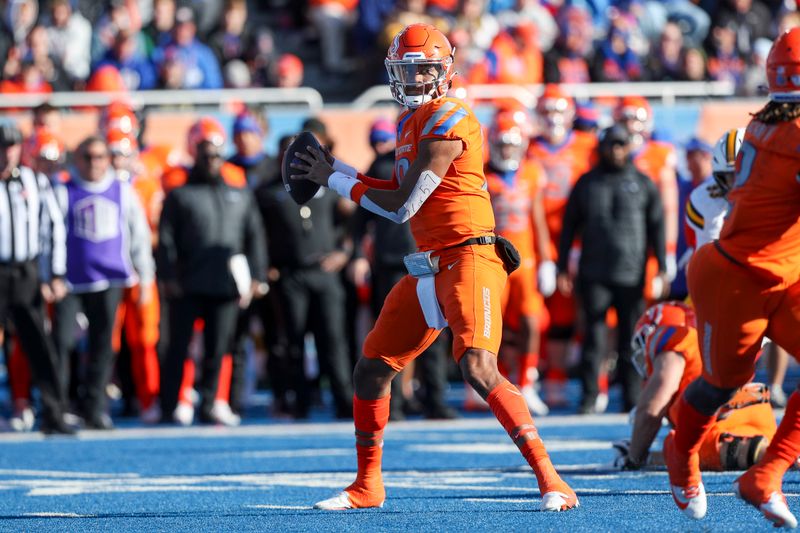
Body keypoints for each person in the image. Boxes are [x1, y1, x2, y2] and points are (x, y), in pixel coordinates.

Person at [292, 23, 577, 512]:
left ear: (445, 70)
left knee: (477, 365)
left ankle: (552, 479)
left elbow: (402, 206)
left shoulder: (451, 116)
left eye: (424, 69)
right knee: (371, 370)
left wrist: (333, 181)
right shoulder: (411, 122)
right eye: (407, 70)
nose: (416, 78)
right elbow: (390, 190)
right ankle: (367, 485)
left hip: (469, 256)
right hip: (429, 265)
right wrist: (335, 169)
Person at [665, 28, 800, 527]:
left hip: (777, 272)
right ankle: (682, 453)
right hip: (738, 276)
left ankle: (764, 476)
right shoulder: (788, 132)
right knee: (722, 383)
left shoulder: (768, 122)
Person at [156, 118, 267, 426]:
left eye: (216, 154)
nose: (211, 160)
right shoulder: (180, 194)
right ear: (195, 154)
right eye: (205, 154)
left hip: (225, 285)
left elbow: (254, 234)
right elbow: (166, 240)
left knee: (218, 350)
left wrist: (256, 275)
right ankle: (169, 405)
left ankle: (209, 404)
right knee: (176, 348)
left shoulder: (239, 192)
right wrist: (167, 277)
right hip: (187, 284)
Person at [350, 117, 458, 421]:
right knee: (396, 335)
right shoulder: (386, 166)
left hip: (422, 256)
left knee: (431, 333)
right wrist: (359, 254)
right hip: (397, 259)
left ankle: (430, 398)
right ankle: (402, 402)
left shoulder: (421, 159)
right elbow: (362, 219)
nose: (382, 145)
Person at [557, 125, 668, 414]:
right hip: (594, 273)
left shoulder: (643, 183)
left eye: (621, 144)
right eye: (611, 145)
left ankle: (632, 398)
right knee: (593, 339)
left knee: (631, 339)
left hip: (631, 274)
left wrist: (663, 269)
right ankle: (590, 396)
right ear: (602, 148)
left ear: (629, 147)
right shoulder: (587, 183)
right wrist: (561, 267)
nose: (616, 150)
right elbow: (569, 228)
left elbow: (657, 227)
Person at [684, 128, 791, 409]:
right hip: (724, 278)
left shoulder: (779, 191)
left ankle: (775, 386)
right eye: (733, 175)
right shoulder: (706, 200)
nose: (740, 182)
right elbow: (711, 256)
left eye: (746, 172)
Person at [53, 136, 153, 430]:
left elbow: (139, 236)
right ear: (77, 159)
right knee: (62, 343)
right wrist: (53, 274)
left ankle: (95, 408)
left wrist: (145, 276)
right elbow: (53, 236)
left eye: (100, 156)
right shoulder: (64, 190)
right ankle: (60, 406)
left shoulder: (122, 190)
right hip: (71, 280)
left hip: (110, 278)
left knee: (103, 346)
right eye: (88, 156)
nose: (94, 162)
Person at [616, 301, 775, 472]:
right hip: (754, 410)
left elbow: (653, 408)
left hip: (723, 425)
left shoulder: (674, 339)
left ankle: (774, 453)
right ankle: (779, 449)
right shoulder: (705, 340)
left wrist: (634, 457)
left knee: (702, 448)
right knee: (686, 449)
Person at [0, 122, 73, 435]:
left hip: (26, 271)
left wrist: (55, 273)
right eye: (2, 146)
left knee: (39, 345)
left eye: (12, 145)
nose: (7, 152)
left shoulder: (34, 180)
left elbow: (53, 227)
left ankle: (54, 412)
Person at [527, 84, 597, 409]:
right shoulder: (527, 148)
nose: (554, 118)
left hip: (578, 239)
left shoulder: (587, 146)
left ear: (571, 114)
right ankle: (537, 377)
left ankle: (564, 377)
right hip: (535, 240)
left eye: (559, 110)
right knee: (533, 313)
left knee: (575, 312)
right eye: (548, 110)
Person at [484, 108, 553, 416]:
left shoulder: (532, 171)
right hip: (492, 259)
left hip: (525, 258)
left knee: (530, 320)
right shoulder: (482, 174)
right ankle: (491, 384)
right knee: (489, 325)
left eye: (512, 143)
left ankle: (526, 381)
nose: (507, 150)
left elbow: (537, 219)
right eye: (503, 143)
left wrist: (547, 259)